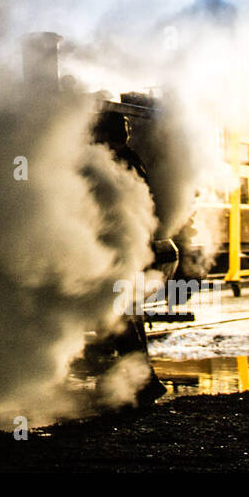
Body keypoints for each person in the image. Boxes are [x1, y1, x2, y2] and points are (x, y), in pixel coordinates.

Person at [86, 110, 171, 406]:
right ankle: (138, 381)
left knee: (121, 318)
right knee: (127, 317)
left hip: (121, 253)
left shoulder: (119, 164)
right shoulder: (132, 161)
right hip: (129, 251)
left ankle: (141, 383)